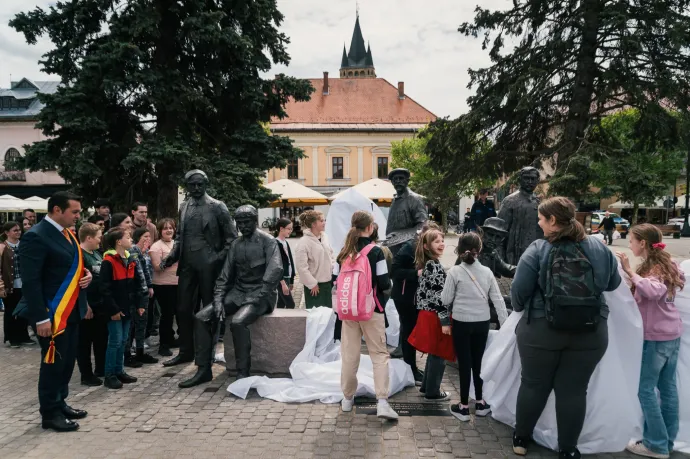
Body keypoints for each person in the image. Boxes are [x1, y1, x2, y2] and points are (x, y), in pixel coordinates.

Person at [510, 197, 621, 458]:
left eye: (541, 218)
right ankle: (568, 449)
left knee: (533, 384)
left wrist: (520, 308)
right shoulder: (599, 248)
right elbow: (613, 284)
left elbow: (519, 291)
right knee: (573, 390)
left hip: (541, 328)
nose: (538, 223)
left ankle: (521, 439)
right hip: (590, 331)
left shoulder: (538, 248)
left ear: (552, 221)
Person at [179, 205, 281, 388]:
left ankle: (243, 373)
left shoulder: (268, 241)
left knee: (237, 322)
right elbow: (224, 277)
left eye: (246, 222)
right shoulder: (236, 244)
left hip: (262, 294)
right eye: (239, 223)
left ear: (255, 220)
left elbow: (274, 271)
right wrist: (218, 301)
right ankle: (203, 370)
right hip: (238, 292)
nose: (243, 226)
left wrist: (257, 298)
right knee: (202, 317)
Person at [15, 191, 92, 432]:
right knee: (53, 363)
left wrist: (87, 275)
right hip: (51, 314)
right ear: (57, 210)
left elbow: (73, 266)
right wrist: (41, 318)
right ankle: (49, 414)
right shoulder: (36, 236)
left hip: (71, 311)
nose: (78, 216)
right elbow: (31, 282)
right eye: (75, 212)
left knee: (67, 361)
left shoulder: (67, 234)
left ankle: (60, 401)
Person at [617, 225, 684, 459]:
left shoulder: (655, 268)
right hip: (671, 335)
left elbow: (654, 291)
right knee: (667, 390)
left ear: (643, 243)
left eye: (632, 240)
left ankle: (655, 444)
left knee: (645, 389)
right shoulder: (666, 264)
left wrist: (629, 271)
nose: (630, 245)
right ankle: (666, 441)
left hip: (656, 338)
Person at [160, 169, 237, 367]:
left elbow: (231, 240)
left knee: (209, 311)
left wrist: (215, 259)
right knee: (183, 309)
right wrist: (172, 256)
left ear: (205, 184)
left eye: (199, 184)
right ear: (187, 186)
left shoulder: (218, 207)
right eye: (192, 185)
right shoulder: (184, 206)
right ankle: (186, 352)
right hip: (187, 265)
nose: (196, 188)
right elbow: (180, 237)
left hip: (209, 268)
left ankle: (207, 354)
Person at [337, 211, 398, 421]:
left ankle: (347, 399)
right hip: (371, 310)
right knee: (379, 355)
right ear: (370, 227)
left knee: (349, 355)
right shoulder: (376, 252)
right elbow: (383, 283)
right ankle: (382, 402)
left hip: (349, 311)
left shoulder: (345, 252)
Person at [442, 232, 508, 421]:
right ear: (479, 250)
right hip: (482, 322)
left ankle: (463, 406)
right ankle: (480, 403)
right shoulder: (487, 272)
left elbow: (445, 299)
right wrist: (504, 325)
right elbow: (497, 299)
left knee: (465, 363)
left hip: (462, 322)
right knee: (478, 362)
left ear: (459, 250)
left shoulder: (455, 272)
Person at [391, 221, 441, 384]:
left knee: (412, 332)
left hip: (416, 298)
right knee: (408, 332)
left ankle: (410, 367)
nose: (438, 242)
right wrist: (416, 273)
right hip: (405, 298)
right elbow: (394, 271)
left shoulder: (428, 250)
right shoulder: (408, 248)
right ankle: (409, 369)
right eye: (434, 238)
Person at [407, 228, 454, 401]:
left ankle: (427, 387)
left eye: (442, 240)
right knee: (439, 353)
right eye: (436, 241)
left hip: (427, 313)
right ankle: (433, 392)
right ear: (427, 246)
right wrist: (444, 321)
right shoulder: (433, 265)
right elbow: (437, 296)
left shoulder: (428, 263)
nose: (441, 243)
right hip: (435, 314)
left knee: (434, 352)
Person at [100, 228, 147, 390]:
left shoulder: (130, 259)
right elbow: (105, 289)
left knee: (124, 340)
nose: (131, 239)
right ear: (118, 241)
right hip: (115, 310)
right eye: (128, 237)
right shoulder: (109, 261)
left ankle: (119, 371)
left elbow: (136, 285)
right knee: (115, 341)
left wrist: (140, 304)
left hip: (128, 308)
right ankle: (109, 374)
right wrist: (113, 310)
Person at [76, 223, 108, 386]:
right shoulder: (79, 255)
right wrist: (85, 305)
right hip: (88, 304)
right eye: (98, 237)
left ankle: (101, 368)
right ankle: (86, 375)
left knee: (100, 338)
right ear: (88, 238)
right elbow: (78, 283)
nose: (100, 240)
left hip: (100, 302)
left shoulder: (96, 254)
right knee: (84, 342)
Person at [498, 166, 544, 264]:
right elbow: (499, 231)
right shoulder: (509, 201)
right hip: (515, 256)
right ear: (520, 179)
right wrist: (500, 259)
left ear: (537, 180)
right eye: (526, 178)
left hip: (536, 252)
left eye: (533, 179)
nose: (530, 182)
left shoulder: (539, 202)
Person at [149, 218, 179, 357]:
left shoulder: (176, 243)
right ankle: (163, 345)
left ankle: (172, 339)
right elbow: (157, 267)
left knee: (178, 314)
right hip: (163, 285)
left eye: (171, 228)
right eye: (165, 228)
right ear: (160, 231)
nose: (169, 231)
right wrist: (171, 258)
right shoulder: (156, 246)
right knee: (167, 316)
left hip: (178, 284)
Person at [128, 228, 157, 365]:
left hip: (143, 292)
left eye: (149, 237)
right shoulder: (133, 250)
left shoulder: (141, 252)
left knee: (142, 324)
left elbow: (146, 271)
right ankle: (130, 353)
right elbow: (138, 273)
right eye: (145, 236)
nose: (148, 239)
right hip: (136, 294)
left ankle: (140, 352)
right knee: (135, 324)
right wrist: (146, 288)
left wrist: (149, 285)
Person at [294, 210, 335, 309]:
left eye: (324, 220)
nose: (324, 223)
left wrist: (333, 268)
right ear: (313, 224)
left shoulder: (325, 237)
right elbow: (301, 267)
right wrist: (312, 284)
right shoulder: (303, 243)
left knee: (328, 315)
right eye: (321, 221)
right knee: (316, 317)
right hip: (315, 287)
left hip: (328, 283)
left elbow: (331, 255)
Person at [1, 221, 32, 347]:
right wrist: (1, 286)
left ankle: (23, 335)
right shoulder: (2, 247)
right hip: (10, 285)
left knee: (23, 310)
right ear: (7, 233)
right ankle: (12, 337)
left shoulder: (24, 245)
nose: (18, 232)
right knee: (10, 311)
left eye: (19, 230)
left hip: (24, 283)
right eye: (15, 230)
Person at [385, 168, 427, 256]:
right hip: (393, 249)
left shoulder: (414, 199)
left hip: (407, 252)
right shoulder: (395, 200)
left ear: (407, 181)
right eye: (395, 179)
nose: (398, 181)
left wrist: (399, 236)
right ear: (392, 182)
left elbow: (423, 226)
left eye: (401, 178)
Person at [275, 218, 296, 309]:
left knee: (281, 303)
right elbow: (276, 265)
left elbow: (290, 261)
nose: (290, 231)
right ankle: (287, 323)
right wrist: (283, 283)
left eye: (291, 229)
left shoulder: (285, 242)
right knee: (291, 304)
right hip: (281, 279)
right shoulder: (275, 243)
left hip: (287, 278)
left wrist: (291, 281)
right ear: (281, 229)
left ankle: (277, 322)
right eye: (288, 228)